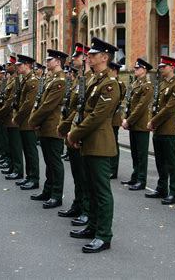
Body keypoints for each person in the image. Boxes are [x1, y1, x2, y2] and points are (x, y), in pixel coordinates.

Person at [67, 37, 121, 253]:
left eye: (93, 54)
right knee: (90, 188)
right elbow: (82, 111)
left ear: (105, 57)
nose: (88, 57)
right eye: (88, 55)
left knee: (101, 192)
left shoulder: (110, 84)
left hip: (100, 143)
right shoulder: (94, 81)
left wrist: (74, 133)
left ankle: (104, 235)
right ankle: (92, 226)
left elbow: (97, 116)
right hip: (88, 141)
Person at [29, 49, 68, 209]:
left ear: (58, 62)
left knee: (55, 162)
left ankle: (56, 195)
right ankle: (48, 190)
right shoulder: (50, 79)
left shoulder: (60, 81)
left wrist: (33, 120)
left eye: (50, 59)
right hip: (45, 126)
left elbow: (48, 106)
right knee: (48, 161)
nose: (47, 62)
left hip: (53, 126)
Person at [57, 43, 91, 226]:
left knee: (84, 176)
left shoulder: (89, 79)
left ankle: (86, 209)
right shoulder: (79, 79)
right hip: (72, 129)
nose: (73, 60)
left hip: (78, 131)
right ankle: (78, 204)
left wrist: (66, 127)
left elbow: (80, 109)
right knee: (77, 173)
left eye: (77, 57)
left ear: (84, 58)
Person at [145, 56, 175, 205]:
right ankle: (162, 188)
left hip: (168, 129)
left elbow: (169, 108)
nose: (161, 69)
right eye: (160, 67)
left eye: (164, 67)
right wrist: (151, 120)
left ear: (172, 67)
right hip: (158, 129)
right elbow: (153, 105)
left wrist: (153, 121)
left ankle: (174, 192)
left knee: (171, 162)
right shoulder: (161, 84)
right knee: (160, 161)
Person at [121, 58, 154, 190]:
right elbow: (128, 104)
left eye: (138, 68)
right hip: (133, 124)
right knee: (134, 153)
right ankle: (135, 176)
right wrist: (125, 118)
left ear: (144, 70)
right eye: (135, 68)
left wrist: (128, 121)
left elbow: (141, 107)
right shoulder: (135, 84)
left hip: (140, 124)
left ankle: (141, 179)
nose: (135, 70)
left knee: (141, 154)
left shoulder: (147, 86)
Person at [12, 54, 40, 190]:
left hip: (28, 120)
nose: (18, 67)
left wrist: (17, 118)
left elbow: (28, 104)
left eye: (20, 65)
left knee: (30, 151)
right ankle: (29, 176)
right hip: (24, 121)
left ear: (27, 65)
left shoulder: (32, 81)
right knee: (27, 150)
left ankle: (34, 178)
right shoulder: (25, 80)